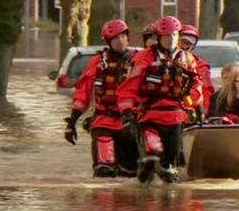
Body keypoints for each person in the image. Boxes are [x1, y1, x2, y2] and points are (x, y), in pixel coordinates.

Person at [116, 16, 203, 183]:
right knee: (152, 153)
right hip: (149, 115)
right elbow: (128, 88)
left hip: (176, 116)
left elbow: (196, 87)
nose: (171, 39)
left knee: (169, 168)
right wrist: (126, 114)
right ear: (159, 37)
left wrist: (192, 105)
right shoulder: (145, 58)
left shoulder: (187, 59)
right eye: (166, 36)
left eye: (174, 35)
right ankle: (144, 176)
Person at [63, 19, 138, 178]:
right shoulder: (97, 64)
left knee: (131, 172)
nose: (120, 41)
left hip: (131, 121)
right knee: (104, 169)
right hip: (104, 121)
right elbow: (82, 94)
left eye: (123, 36)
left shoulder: (139, 61)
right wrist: (72, 121)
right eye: (115, 38)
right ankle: (104, 199)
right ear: (109, 42)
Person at [178, 24, 215, 119]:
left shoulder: (201, 66)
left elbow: (207, 91)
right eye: (183, 41)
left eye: (189, 43)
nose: (185, 46)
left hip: (192, 113)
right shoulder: (166, 61)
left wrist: (205, 113)